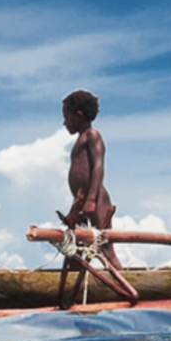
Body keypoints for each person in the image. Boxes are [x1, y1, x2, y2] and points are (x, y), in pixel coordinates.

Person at [61, 89, 119, 269]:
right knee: (75, 246)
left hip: (96, 200)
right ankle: (71, 287)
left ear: (78, 116)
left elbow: (98, 166)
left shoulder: (92, 135)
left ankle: (125, 280)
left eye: (66, 117)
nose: (64, 123)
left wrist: (92, 199)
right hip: (81, 201)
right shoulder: (81, 139)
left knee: (105, 247)